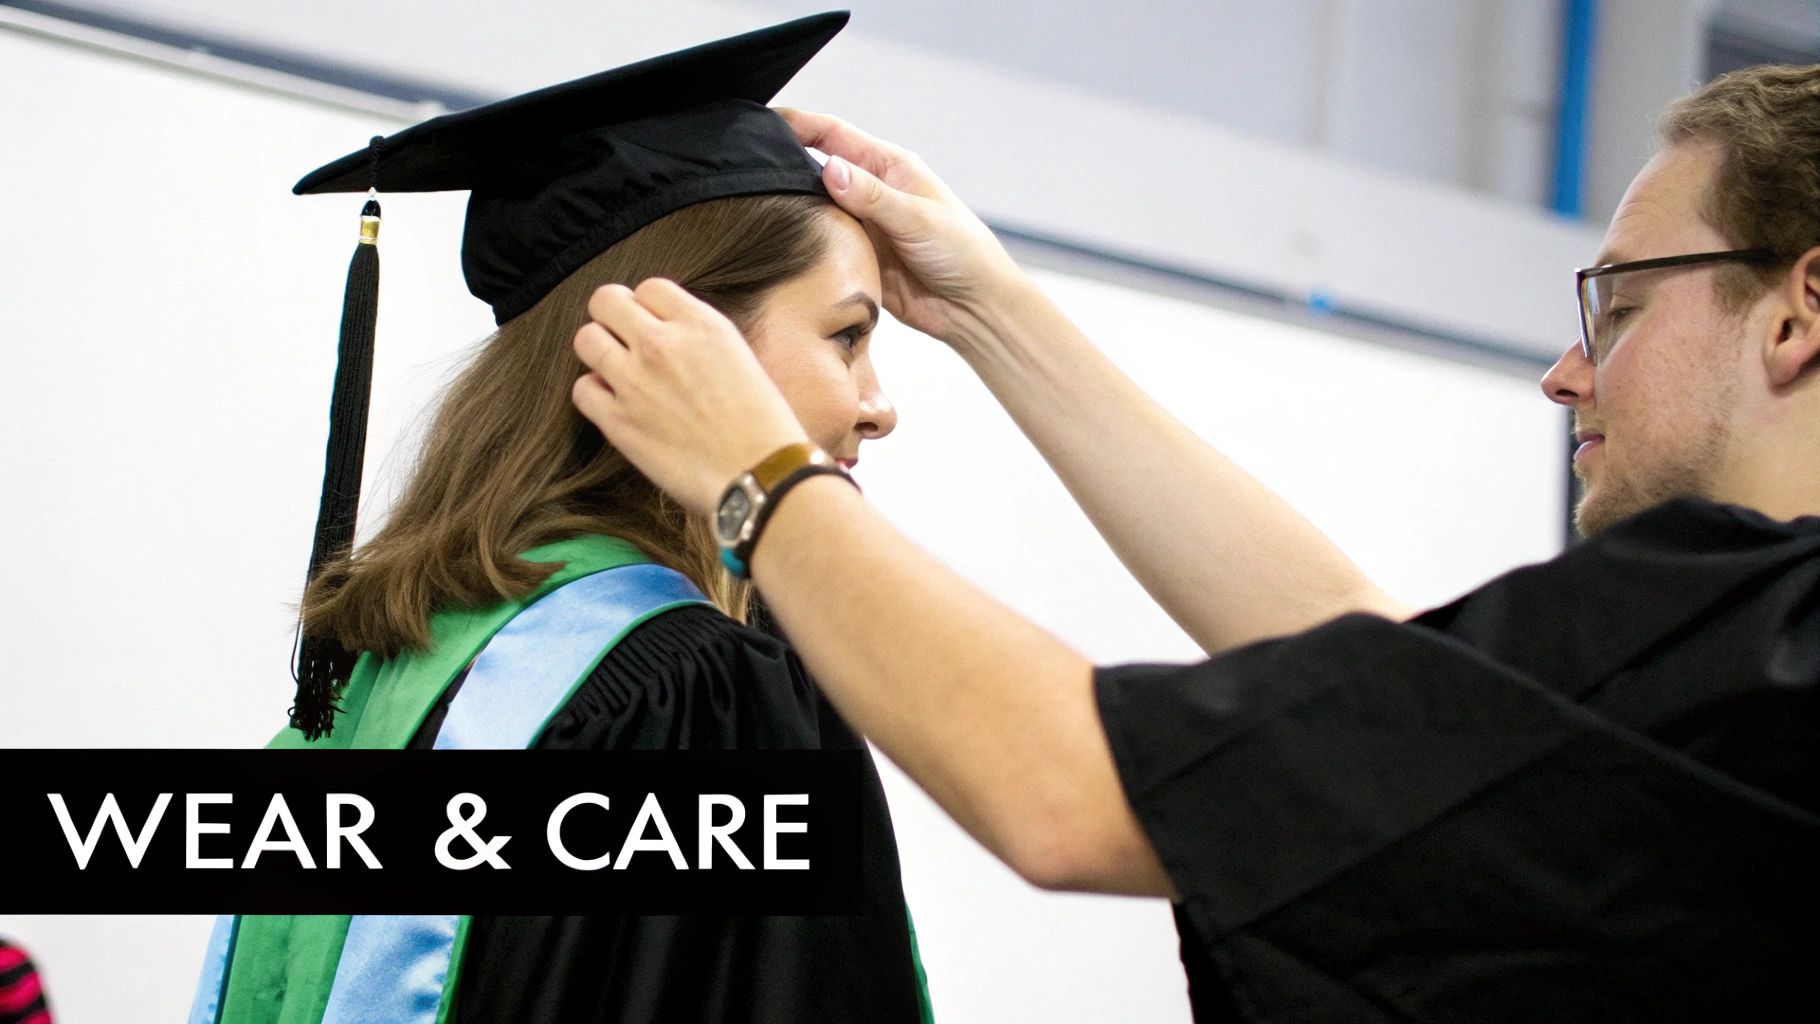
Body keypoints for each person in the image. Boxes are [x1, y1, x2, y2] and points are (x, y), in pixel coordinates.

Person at [570, 63, 1820, 1020]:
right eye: (845, 338)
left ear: (1795, 311)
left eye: (1619, 305)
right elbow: (1380, 661)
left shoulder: (1759, 645)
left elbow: (1062, 789)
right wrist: (991, 313)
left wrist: (760, 484)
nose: (1562, 374)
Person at [189, 14, 930, 1024]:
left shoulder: (406, 649)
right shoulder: (692, 689)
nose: (876, 403)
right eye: (847, 333)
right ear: (680, 340)